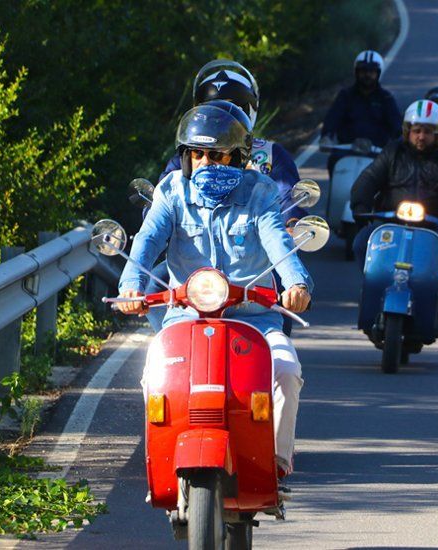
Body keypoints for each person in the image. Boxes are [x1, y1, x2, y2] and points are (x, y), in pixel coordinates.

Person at [118, 103, 312, 480]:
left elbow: (277, 239)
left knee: (286, 371)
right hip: (184, 317)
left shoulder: (260, 192)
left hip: (254, 320)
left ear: (238, 157)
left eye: (217, 154)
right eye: (197, 153)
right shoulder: (171, 191)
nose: (206, 162)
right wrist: (131, 286)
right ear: (187, 157)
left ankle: (275, 463)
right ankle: (161, 462)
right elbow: (147, 241)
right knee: (154, 375)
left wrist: (296, 284)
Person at [150, 60, 304, 334]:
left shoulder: (271, 154)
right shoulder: (188, 157)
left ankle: (269, 351)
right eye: (212, 108)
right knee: (153, 285)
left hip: (252, 257)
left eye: (232, 108)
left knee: (282, 291)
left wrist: (290, 225)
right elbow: (164, 199)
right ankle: (168, 344)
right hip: (194, 258)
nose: (221, 116)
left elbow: (287, 198)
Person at [350, 99, 438, 283]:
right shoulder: (392, 152)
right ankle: (373, 284)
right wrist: (361, 205)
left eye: (427, 131)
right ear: (407, 131)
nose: (421, 136)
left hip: (434, 227)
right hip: (391, 222)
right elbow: (369, 178)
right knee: (361, 242)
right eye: (416, 131)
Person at [320, 50, 403, 177]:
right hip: (346, 152)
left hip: (377, 153)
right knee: (332, 161)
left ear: (378, 73)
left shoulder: (386, 98)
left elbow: (397, 127)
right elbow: (332, 119)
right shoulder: (345, 96)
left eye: (371, 72)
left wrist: (401, 145)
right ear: (356, 72)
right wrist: (326, 137)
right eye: (363, 71)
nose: (367, 75)